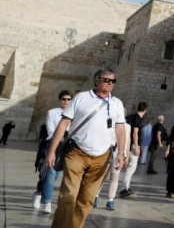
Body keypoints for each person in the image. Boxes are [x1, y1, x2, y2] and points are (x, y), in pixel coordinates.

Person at [45, 68, 126, 228]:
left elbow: (120, 130)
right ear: (97, 81)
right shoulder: (81, 98)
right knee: (68, 196)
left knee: (87, 199)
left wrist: (121, 153)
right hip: (76, 153)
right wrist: (51, 151)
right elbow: (63, 124)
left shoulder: (116, 103)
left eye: (113, 81)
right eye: (106, 80)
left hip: (102, 157)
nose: (110, 83)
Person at [33, 90, 73, 214]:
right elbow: (51, 130)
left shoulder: (74, 114)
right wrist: (60, 137)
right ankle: (47, 202)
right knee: (50, 174)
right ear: (59, 100)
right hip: (52, 145)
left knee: (55, 176)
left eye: (68, 99)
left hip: (66, 147)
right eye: (63, 99)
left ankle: (39, 192)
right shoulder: (52, 112)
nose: (66, 101)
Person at [93, 109, 131, 210]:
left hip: (119, 153)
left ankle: (110, 200)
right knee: (101, 176)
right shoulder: (109, 122)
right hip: (106, 152)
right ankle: (95, 196)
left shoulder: (127, 127)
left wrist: (126, 155)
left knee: (114, 177)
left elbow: (127, 141)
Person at [119, 101, 147, 197]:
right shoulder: (138, 119)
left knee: (130, 167)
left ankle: (126, 186)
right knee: (131, 168)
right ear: (145, 110)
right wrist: (136, 147)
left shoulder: (132, 116)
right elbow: (135, 133)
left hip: (128, 144)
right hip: (133, 145)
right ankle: (123, 188)